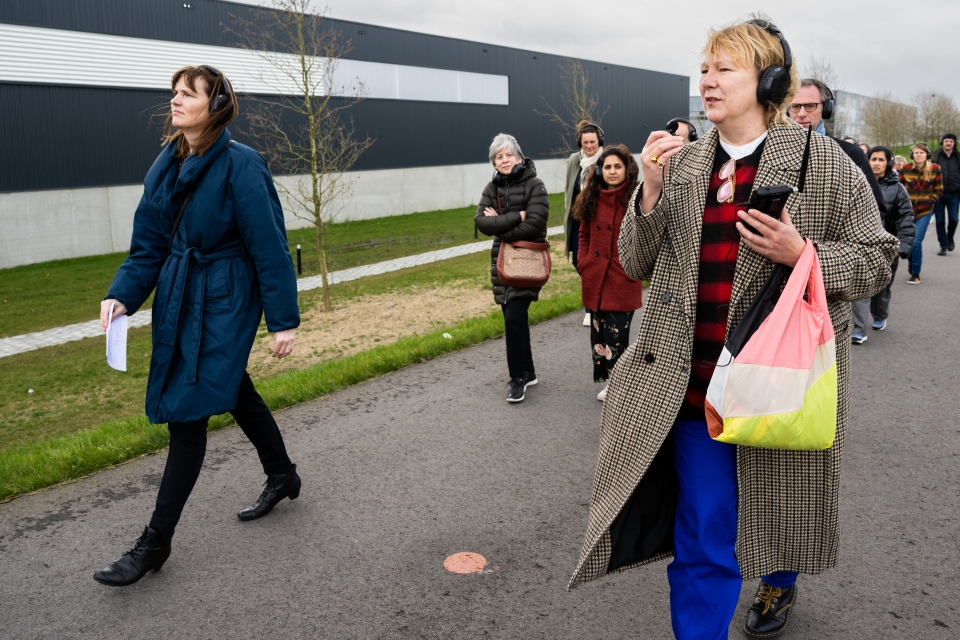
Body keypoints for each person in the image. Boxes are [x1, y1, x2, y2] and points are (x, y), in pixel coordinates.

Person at [568, 18, 898, 640]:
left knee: (776, 518)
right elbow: (635, 261)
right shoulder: (685, 164)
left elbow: (878, 258)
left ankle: (781, 581)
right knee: (705, 536)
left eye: (725, 69)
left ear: (769, 80)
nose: (707, 81)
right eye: (704, 69)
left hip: (778, 388)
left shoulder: (823, 164)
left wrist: (806, 254)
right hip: (694, 394)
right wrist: (650, 191)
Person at [93, 66, 302, 587]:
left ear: (217, 104)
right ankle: (283, 475)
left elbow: (270, 246)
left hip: (227, 298)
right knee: (231, 388)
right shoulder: (167, 163)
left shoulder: (242, 165)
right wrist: (122, 294)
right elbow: (149, 244)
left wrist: (283, 321)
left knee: (189, 414)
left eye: (189, 94)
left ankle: (154, 543)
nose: (175, 101)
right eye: (173, 93)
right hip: (181, 295)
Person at [475, 133, 549, 403]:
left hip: (527, 264)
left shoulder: (535, 185)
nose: (504, 160)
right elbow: (481, 223)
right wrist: (516, 216)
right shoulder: (491, 189)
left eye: (508, 155)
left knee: (514, 320)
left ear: (519, 157)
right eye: (498, 157)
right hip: (503, 265)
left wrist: (502, 226)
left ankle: (516, 379)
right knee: (515, 321)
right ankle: (528, 372)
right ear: (494, 163)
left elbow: (536, 223)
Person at [572, 145, 644, 402]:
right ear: (600, 170)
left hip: (622, 279)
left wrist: (636, 265)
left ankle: (620, 385)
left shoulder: (638, 197)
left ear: (627, 169)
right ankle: (611, 381)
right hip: (595, 278)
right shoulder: (590, 196)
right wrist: (583, 263)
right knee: (599, 335)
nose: (612, 172)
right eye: (607, 167)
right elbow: (583, 234)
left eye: (618, 166)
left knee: (618, 337)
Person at [789, 78, 886, 214]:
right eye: (795, 106)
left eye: (810, 106)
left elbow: (876, 210)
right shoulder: (772, 151)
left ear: (826, 109)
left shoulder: (851, 153)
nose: (802, 114)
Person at [850, 147, 916, 340]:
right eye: (873, 159)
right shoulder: (858, 183)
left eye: (881, 159)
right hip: (861, 247)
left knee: (881, 290)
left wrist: (900, 249)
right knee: (860, 286)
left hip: (887, 250)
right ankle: (858, 330)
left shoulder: (898, 190)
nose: (876, 163)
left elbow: (906, 220)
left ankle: (880, 315)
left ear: (889, 163)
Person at [564, 122, 605, 327]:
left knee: (595, 261)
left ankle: (592, 308)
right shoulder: (574, 160)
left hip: (598, 220)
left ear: (600, 142)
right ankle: (597, 297)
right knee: (578, 262)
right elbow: (568, 190)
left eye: (593, 142)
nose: (589, 146)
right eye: (585, 142)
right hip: (578, 219)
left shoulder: (607, 159)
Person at [899, 142, 944, 283]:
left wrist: (932, 199)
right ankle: (912, 263)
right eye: (916, 153)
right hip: (907, 211)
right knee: (910, 241)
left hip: (925, 211)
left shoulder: (935, 169)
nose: (919, 155)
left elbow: (939, 189)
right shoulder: (904, 168)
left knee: (917, 241)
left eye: (922, 153)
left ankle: (915, 273)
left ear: (927, 155)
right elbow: (898, 187)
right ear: (912, 155)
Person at [933, 133, 959, 255]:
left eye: (951, 141)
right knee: (939, 220)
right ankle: (943, 246)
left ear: (955, 143)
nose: (948, 143)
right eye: (946, 141)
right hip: (939, 193)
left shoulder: (958, 157)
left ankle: (950, 238)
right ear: (942, 142)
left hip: (955, 193)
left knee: (953, 219)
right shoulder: (935, 156)